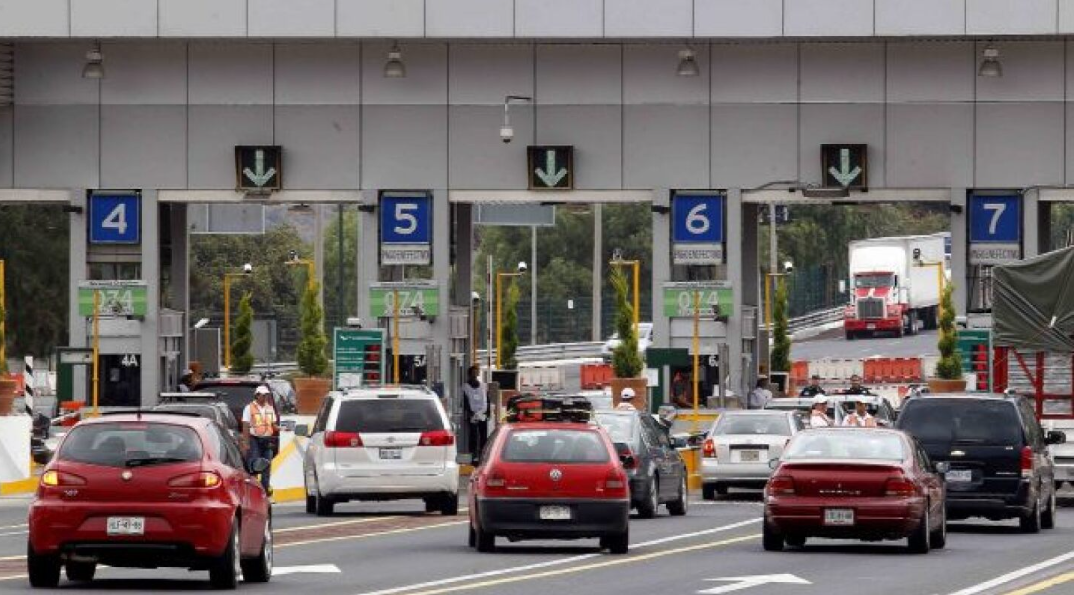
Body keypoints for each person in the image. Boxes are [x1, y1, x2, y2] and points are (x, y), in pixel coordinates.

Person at [241, 385, 279, 494]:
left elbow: (273, 425)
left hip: (267, 440)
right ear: (257, 395)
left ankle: (264, 492)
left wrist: (283, 428)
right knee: (254, 465)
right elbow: (245, 425)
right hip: (254, 440)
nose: (265, 397)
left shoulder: (269, 408)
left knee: (266, 466)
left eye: (266, 395)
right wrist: (246, 442)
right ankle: (253, 491)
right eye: (263, 395)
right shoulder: (249, 408)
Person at [462, 365, 488, 464]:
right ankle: (472, 456)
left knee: (483, 436)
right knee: (473, 436)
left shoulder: (483, 385)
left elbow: (487, 399)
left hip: (482, 413)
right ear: (470, 374)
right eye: (473, 372)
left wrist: (487, 412)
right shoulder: (465, 387)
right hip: (472, 414)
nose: (475, 374)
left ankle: (483, 456)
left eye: (477, 372)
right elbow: (465, 401)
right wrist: (470, 412)